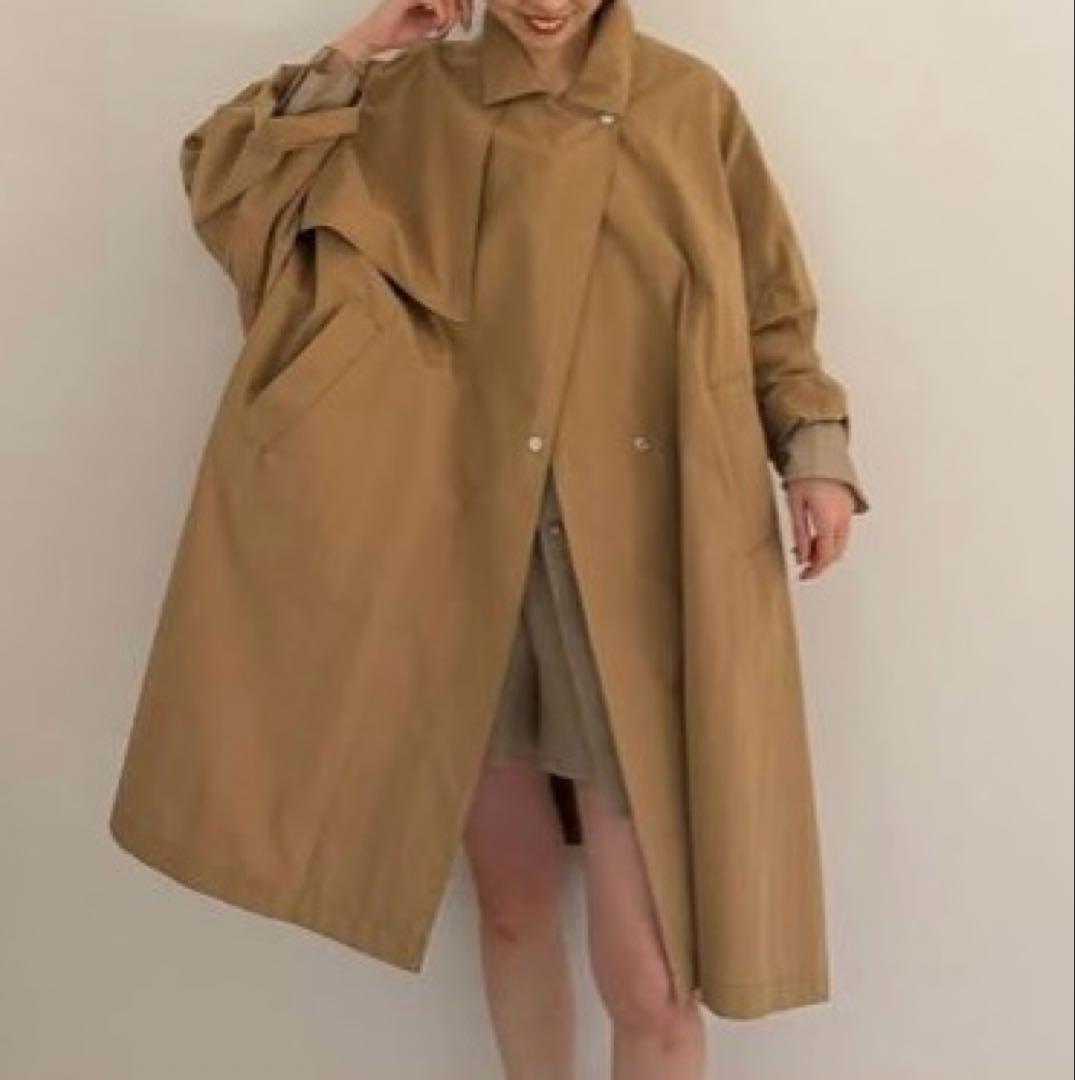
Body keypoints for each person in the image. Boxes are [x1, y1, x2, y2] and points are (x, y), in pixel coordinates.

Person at [109, 2, 870, 1077]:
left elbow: (771, 307)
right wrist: (365, 44)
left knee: (653, 973)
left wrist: (814, 450)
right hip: (462, 551)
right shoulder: (413, 104)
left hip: (640, 561)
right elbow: (234, 189)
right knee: (512, 900)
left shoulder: (685, 102)